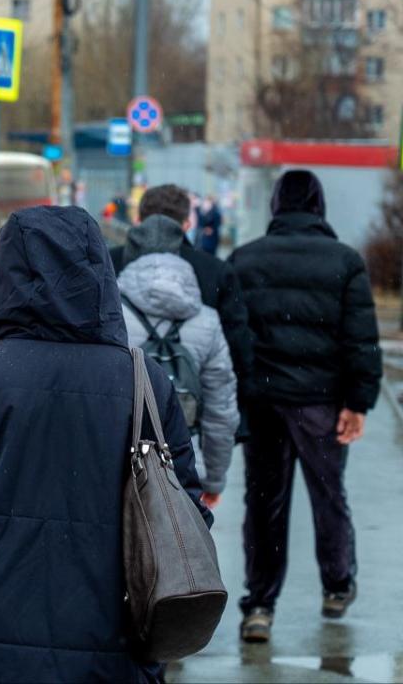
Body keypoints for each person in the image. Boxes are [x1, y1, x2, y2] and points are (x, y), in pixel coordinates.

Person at [0, 206, 210, 682]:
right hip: (112, 646)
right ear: (101, 276)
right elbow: (187, 515)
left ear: (3, 279)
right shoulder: (145, 383)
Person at [228, 170, 382, 643]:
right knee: (328, 494)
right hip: (321, 404)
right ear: (319, 207)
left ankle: (259, 606)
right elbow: (360, 340)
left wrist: (244, 395)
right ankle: (337, 586)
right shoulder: (344, 261)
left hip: (265, 403)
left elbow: (234, 341)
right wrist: (358, 402)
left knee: (265, 505)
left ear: (276, 206)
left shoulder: (244, 261)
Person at [117, 215, 239, 508]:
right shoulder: (207, 320)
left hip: (120, 459)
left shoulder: (111, 313)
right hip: (185, 461)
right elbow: (221, 411)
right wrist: (213, 479)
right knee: (184, 548)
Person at [111, 184, 255, 398]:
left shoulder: (109, 263)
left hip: (122, 398)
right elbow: (237, 347)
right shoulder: (214, 270)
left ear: (138, 220)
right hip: (192, 402)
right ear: (186, 224)